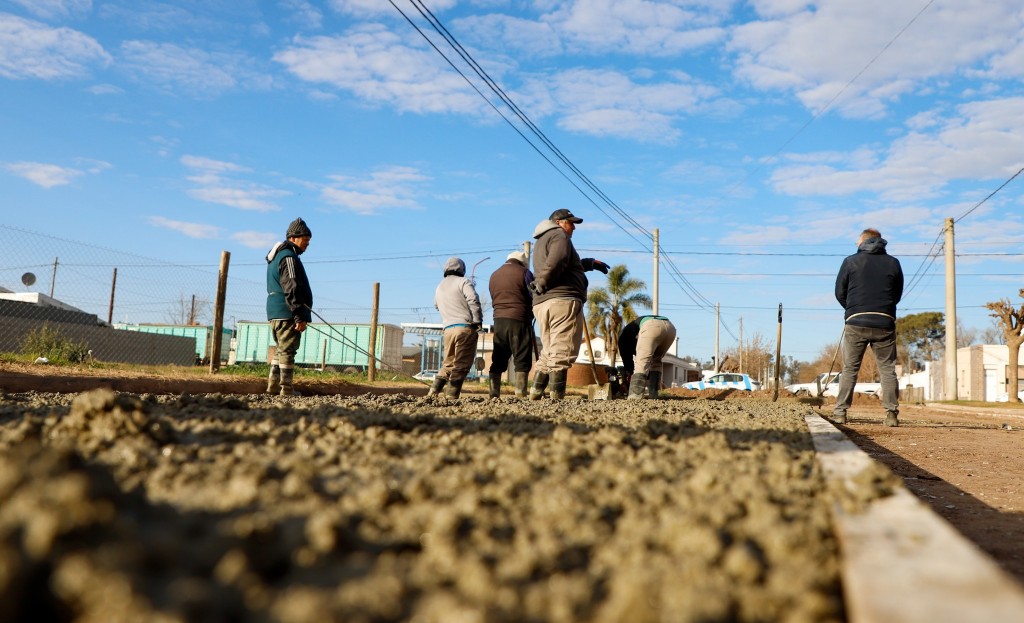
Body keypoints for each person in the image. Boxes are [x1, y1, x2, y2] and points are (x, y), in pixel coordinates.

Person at [528, 209, 609, 400]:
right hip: (562, 301)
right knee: (562, 350)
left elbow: (562, 264)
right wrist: (543, 282)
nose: (573, 227)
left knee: (550, 351)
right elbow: (558, 260)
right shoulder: (559, 235)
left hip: (543, 302)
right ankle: (557, 398)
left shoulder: (541, 240)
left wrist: (588, 264)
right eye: (570, 222)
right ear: (558, 222)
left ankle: (535, 392)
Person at [834, 227, 904, 426]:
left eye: (857, 242)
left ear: (864, 241)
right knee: (887, 370)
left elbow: (840, 291)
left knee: (850, 369)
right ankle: (891, 415)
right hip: (884, 321)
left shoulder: (850, 261)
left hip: (856, 321)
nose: (856, 245)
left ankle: (840, 413)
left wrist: (852, 309)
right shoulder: (894, 263)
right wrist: (886, 310)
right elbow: (896, 294)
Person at [265, 217, 313, 396]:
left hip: (275, 311)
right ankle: (286, 389)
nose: (307, 243)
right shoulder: (289, 258)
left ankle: (273, 387)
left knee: (281, 349)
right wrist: (299, 315)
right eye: (305, 240)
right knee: (288, 350)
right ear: (293, 238)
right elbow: (291, 286)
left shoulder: (277, 256)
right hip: (287, 312)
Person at [428, 256, 483, 399]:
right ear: (462, 269)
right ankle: (451, 396)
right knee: (461, 364)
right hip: (464, 327)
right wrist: (477, 320)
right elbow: (473, 299)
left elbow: (436, 305)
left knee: (448, 363)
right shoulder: (463, 282)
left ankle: (432, 393)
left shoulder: (439, 286)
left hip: (448, 329)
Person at [487, 250, 535, 398]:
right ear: (522, 262)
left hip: (499, 320)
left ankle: (494, 392)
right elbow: (533, 294)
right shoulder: (525, 273)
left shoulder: (494, 275)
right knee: (522, 355)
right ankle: (520, 392)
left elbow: (493, 295)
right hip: (519, 319)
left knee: (499, 356)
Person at [618, 315, 677, 399]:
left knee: (641, 362)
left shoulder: (622, 338)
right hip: (670, 328)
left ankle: (635, 397)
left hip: (652, 326)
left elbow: (626, 358)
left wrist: (629, 373)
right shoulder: (631, 332)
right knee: (656, 361)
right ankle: (653, 395)